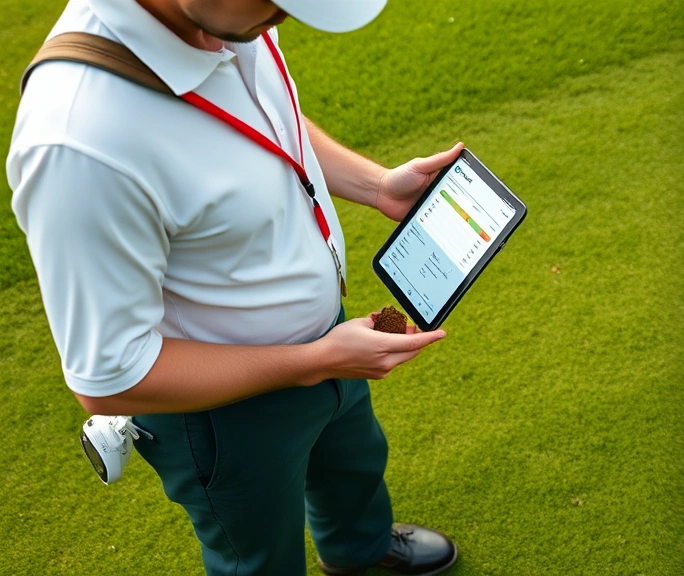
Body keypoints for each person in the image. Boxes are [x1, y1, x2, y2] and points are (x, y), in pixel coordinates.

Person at [7, 0, 461, 574]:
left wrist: (375, 186)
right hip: (224, 414)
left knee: (354, 464)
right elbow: (112, 376)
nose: (284, 17)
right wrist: (313, 360)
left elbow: (258, 123)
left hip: (330, 343)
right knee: (258, 554)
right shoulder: (78, 144)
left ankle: (358, 551)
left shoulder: (230, 17)